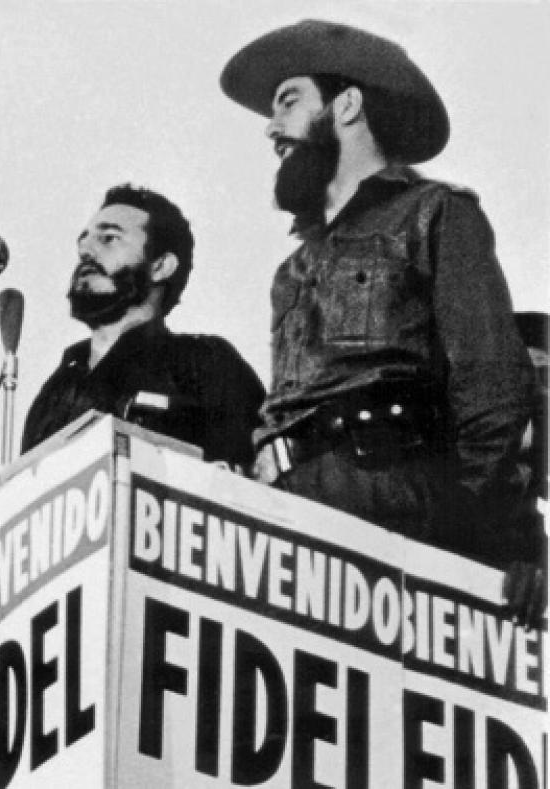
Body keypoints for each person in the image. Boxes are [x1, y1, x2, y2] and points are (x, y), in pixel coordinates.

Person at [219, 20, 541, 622]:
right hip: (285, 506)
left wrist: (460, 528)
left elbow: (493, 386)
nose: (271, 126)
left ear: (347, 104)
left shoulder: (436, 212)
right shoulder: (292, 271)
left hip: (388, 495)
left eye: (288, 100)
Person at [21, 183, 264, 470]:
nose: (86, 251)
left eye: (109, 238)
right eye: (83, 243)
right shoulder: (57, 387)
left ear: (160, 266)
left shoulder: (207, 363)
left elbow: (256, 482)